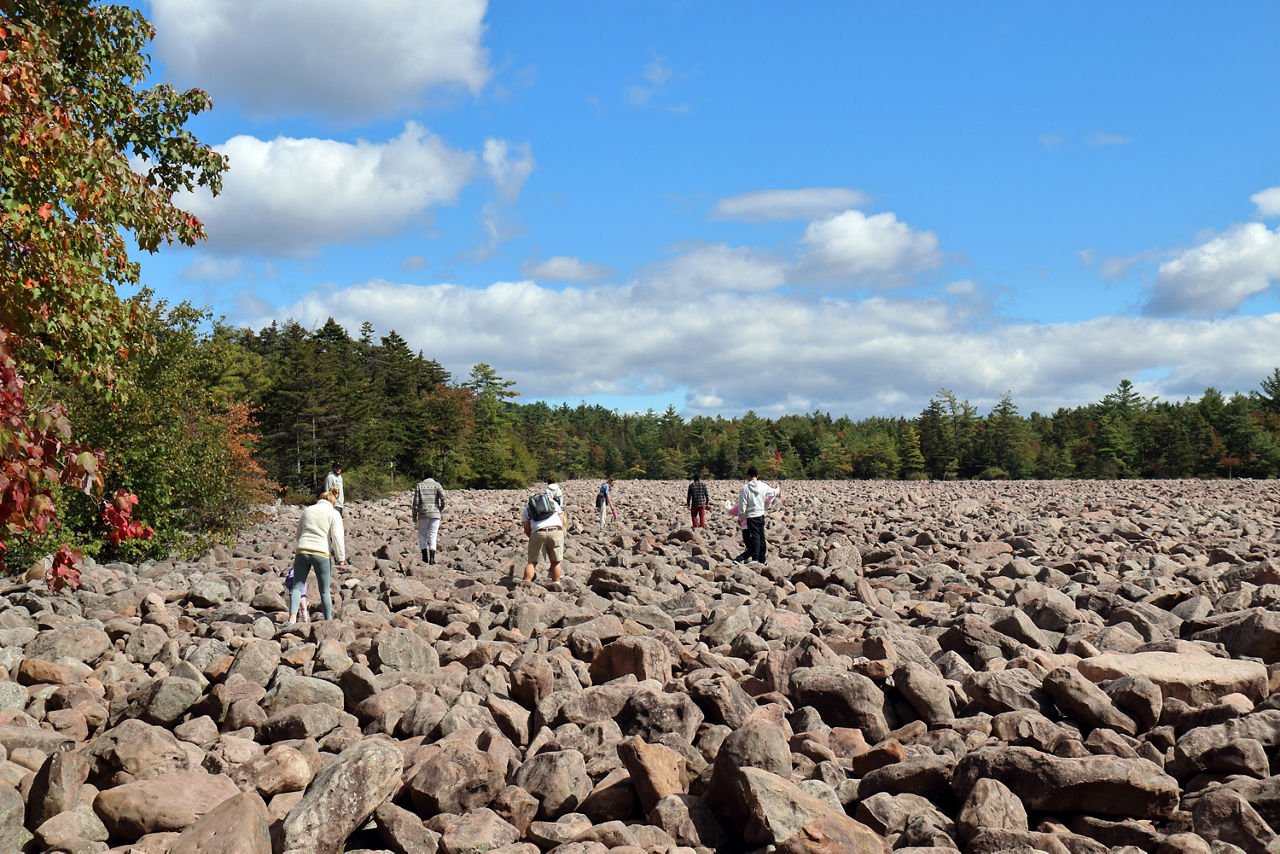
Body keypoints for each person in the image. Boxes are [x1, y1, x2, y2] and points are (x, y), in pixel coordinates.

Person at [286, 487, 345, 624]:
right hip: (321, 552)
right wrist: (340, 558)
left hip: (303, 549)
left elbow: (298, 532)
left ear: (320, 499)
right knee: (324, 590)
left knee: (297, 586)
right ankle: (328, 621)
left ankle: (292, 618)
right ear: (332, 502)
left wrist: (302, 546)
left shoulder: (308, 510)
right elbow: (337, 537)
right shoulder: (333, 513)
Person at [734, 466, 780, 564]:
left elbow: (742, 504)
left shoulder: (745, 488)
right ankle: (762, 559)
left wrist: (740, 516)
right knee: (761, 537)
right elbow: (773, 492)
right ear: (757, 475)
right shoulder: (763, 486)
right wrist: (778, 488)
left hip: (751, 515)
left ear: (748, 476)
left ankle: (755, 558)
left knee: (755, 537)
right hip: (760, 514)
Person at [521, 490, 565, 585]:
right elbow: (561, 517)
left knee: (532, 562)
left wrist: (533, 538)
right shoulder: (552, 502)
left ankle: (525, 584)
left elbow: (527, 528)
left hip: (538, 532)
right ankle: (556, 584)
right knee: (555, 562)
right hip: (556, 531)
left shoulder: (527, 508)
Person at [411, 469, 446, 564]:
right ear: (433, 476)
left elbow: (416, 502)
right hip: (435, 513)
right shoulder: (437, 485)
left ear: (424, 475)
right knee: (433, 534)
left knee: (422, 535)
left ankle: (425, 557)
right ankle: (432, 559)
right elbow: (444, 498)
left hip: (423, 513)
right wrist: (440, 509)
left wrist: (414, 514)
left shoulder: (419, 485)